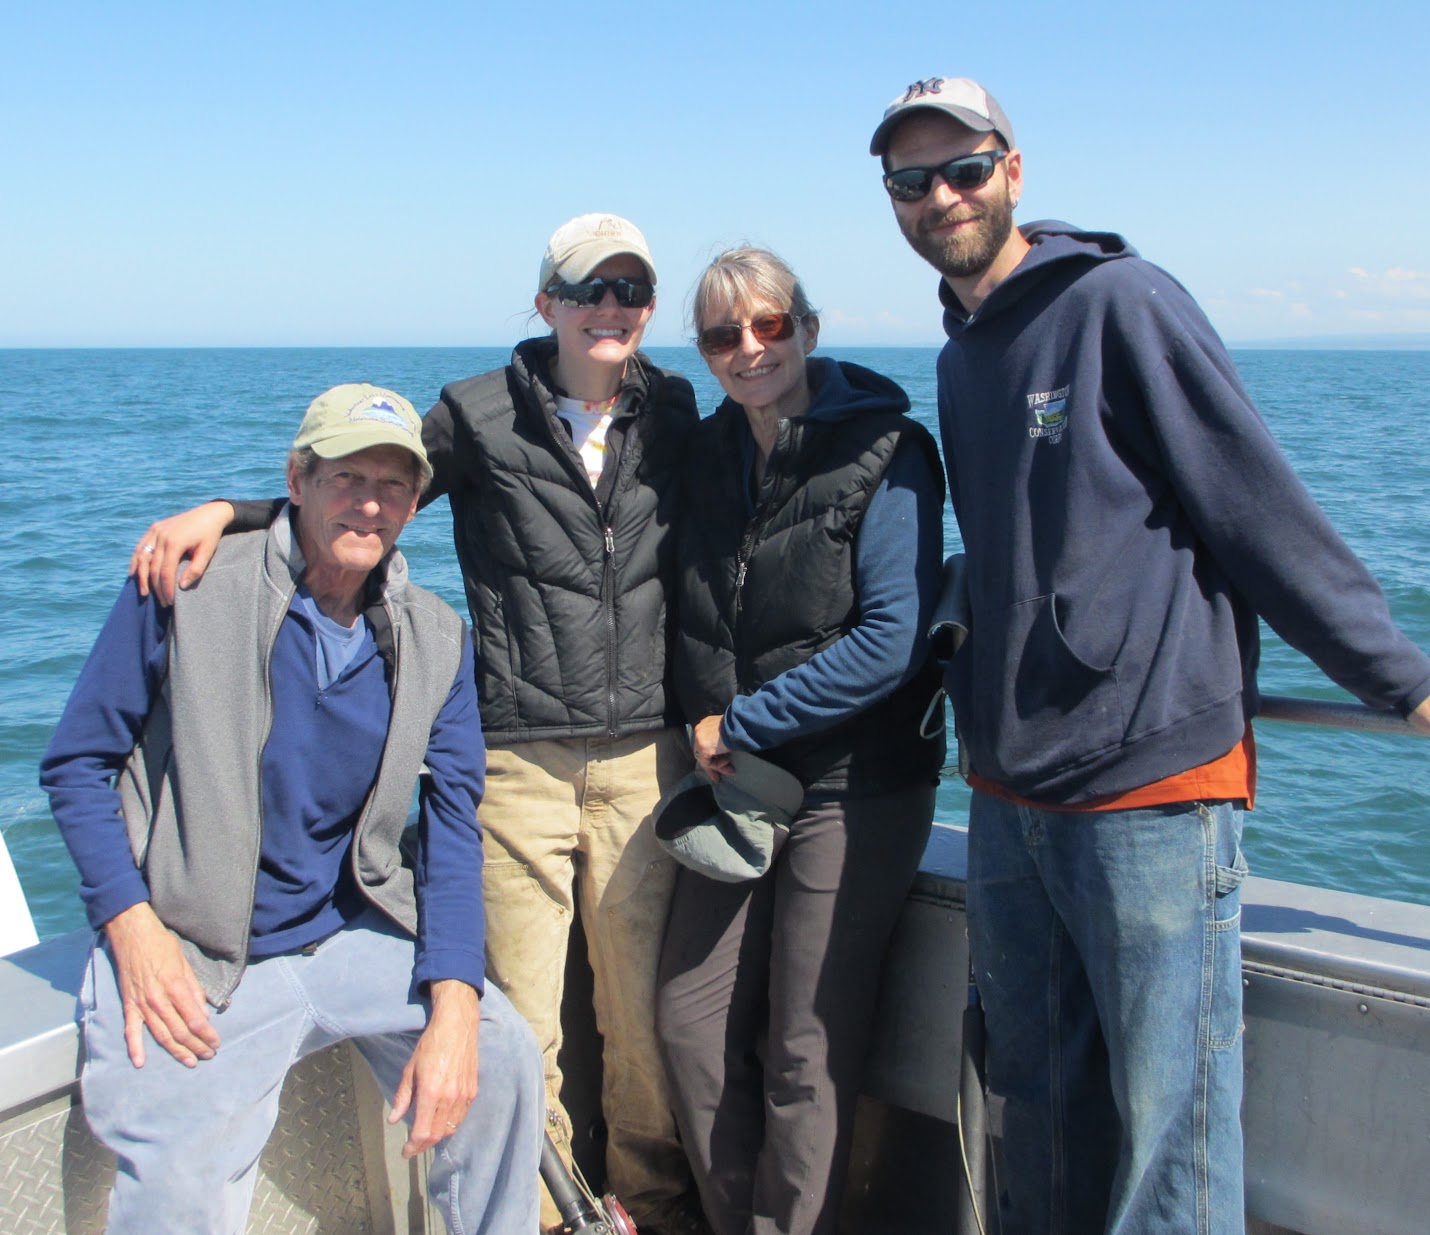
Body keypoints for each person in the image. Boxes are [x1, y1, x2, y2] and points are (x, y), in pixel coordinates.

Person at [868, 77, 1430, 1235]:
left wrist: (1397, 678)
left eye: (965, 168)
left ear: (1013, 171)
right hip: (1008, 786)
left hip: (1149, 779)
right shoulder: (961, 356)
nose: (941, 195)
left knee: (1171, 1132)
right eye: (910, 179)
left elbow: (1254, 505)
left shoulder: (1120, 303)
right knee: (1036, 1101)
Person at [123, 216, 706, 1235]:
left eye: (629, 289)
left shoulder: (678, 411)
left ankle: (651, 1209)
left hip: (644, 756)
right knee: (521, 1019)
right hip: (517, 758)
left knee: (643, 1026)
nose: (608, 307)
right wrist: (233, 511)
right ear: (547, 302)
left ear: (649, 306)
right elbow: (366, 498)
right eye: (586, 288)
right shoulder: (476, 413)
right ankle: (547, 1216)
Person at [40, 384, 544, 1233]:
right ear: (297, 479)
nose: (369, 502)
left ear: (415, 504)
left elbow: (454, 826)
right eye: (346, 476)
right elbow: (76, 765)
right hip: (195, 948)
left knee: (502, 1052)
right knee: (178, 1188)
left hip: (349, 930)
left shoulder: (435, 638)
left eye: (392, 485)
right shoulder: (187, 584)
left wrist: (458, 998)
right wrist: (131, 926)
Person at [653, 247, 947, 1235]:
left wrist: (737, 721)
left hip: (853, 781)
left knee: (804, 1048)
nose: (749, 348)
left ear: (808, 329)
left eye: (769, 324)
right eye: (722, 334)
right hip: (739, 782)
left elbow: (891, 640)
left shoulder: (887, 449)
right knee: (690, 1025)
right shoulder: (704, 453)